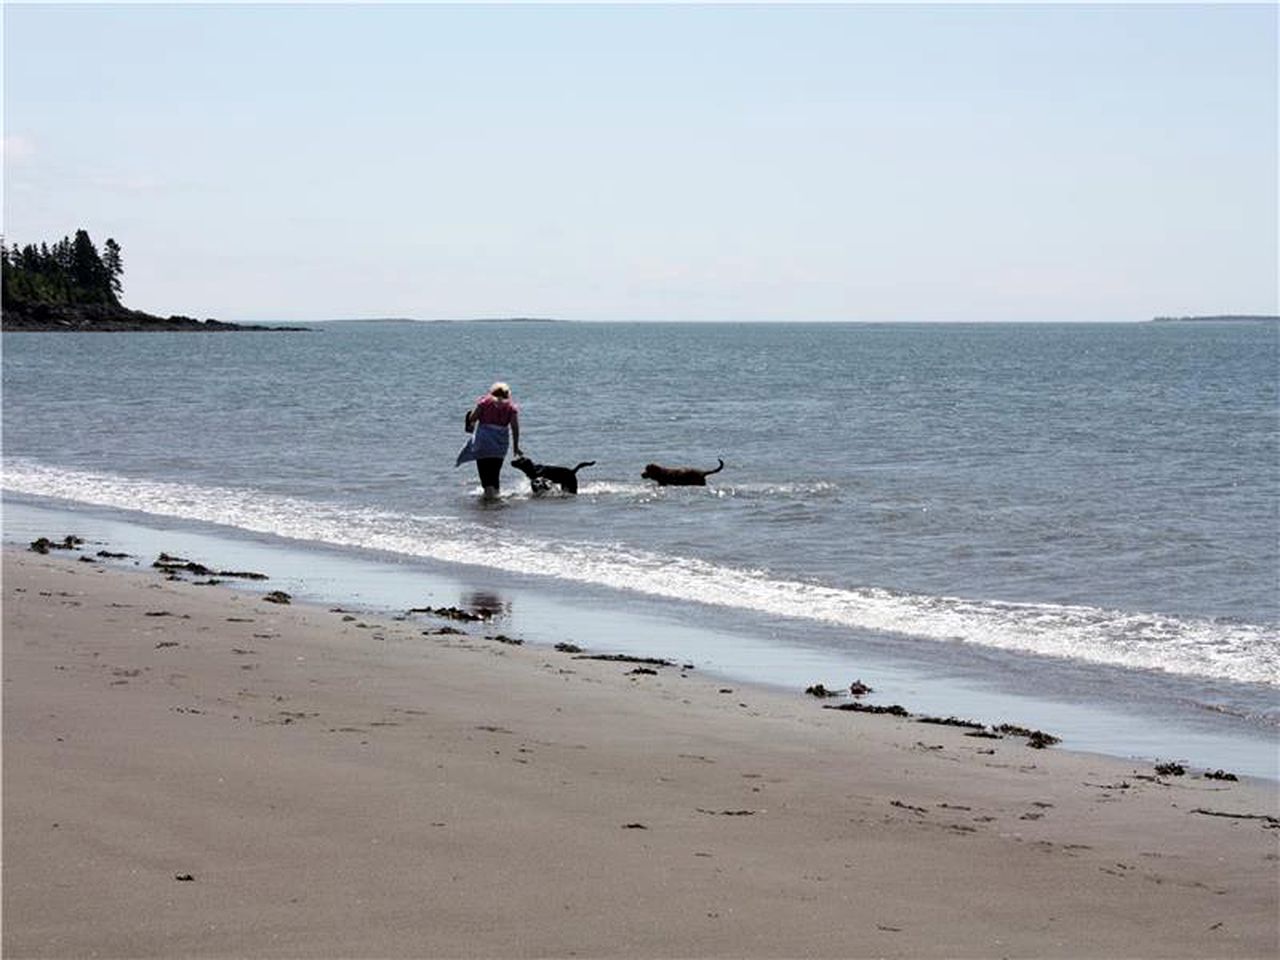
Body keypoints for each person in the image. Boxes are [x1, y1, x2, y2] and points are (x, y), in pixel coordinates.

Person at [455, 381, 522, 499]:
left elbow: (473, 418)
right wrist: (516, 447)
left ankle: (488, 505)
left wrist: (469, 419)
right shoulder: (511, 408)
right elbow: (515, 428)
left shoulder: (484, 403)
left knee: (485, 475)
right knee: (495, 473)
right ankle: (496, 502)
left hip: (483, 443)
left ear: (492, 392)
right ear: (508, 395)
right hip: (500, 445)